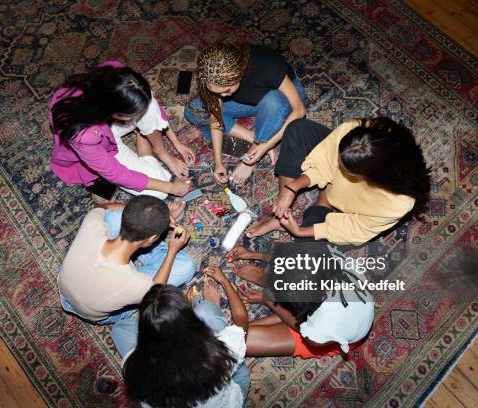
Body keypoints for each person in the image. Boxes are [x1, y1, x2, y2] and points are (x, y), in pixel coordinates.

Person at [247, 117, 431, 245]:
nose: (337, 166)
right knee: (298, 129)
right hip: (345, 174)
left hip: (347, 210)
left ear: (374, 176)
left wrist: (300, 232)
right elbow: (324, 161)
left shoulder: (399, 203)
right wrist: (292, 187)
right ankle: (287, 210)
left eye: (344, 168)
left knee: (306, 252)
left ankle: (323, 201)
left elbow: (353, 229)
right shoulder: (359, 133)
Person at [49, 60, 195, 200]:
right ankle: (143, 137)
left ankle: (160, 152)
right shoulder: (83, 136)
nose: (139, 117)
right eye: (132, 115)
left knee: (145, 101)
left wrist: (176, 143)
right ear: (115, 113)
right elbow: (115, 174)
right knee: (159, 193)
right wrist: (170, 188)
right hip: (102, 144)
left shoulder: (114, 73)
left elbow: (151, 106)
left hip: (105, 122)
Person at [110, 267, 250, 408]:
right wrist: (223, 285)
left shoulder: (133, 368)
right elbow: (241, 317)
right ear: (190, 320)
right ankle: (206, 309)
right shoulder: (219, 354)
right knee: (206, 310)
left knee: (119, 331)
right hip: (225, 399)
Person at [57, 195, 195, 324]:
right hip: (93, 312)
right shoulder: (132, 283)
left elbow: (103, 207)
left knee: (111, 217)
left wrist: (141, 216)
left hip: (68, 287)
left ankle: (141, 230)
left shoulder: (92, 223)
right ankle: (148, 243)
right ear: (152, 239)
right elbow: (156, 293)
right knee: (186, 266)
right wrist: (172, 250)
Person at [184, 43, 307, 184]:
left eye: (226, 90)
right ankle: (254, 136)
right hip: (251, 99)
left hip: (282, 97)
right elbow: (216, 117)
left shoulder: (267, 66)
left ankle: (254, 151)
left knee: (272, 103)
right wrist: (217, 162)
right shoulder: (214, 77)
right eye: (217, 92)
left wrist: (265, 146)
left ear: (238, 74)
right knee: (193, 110)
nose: (222, 96)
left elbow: (300, 110)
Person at [226, 244, 374, 359]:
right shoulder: (329, 258)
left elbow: (301, 328)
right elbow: (294, 259)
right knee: (234, 333)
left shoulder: (323, 328)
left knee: (230, 344)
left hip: (318, 332)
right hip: (315, 311)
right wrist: (254, 255)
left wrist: (267, 299)